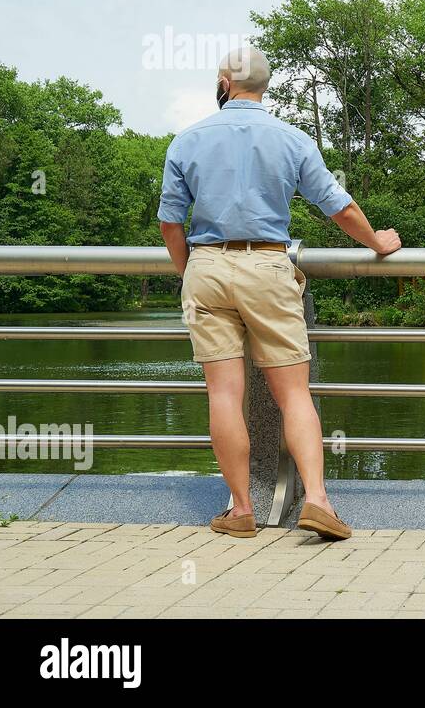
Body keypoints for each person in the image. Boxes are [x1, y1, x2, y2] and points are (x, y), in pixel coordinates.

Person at [157, 45, 401, 540]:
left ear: (225, 81)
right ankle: (316, 501)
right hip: (268, 264)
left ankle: (242, 510)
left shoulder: (188, 140)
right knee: (293, 394)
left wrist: (190, 274)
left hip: (206, 266)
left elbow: (169, 223)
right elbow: (339, 206)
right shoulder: (291, 140)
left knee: (224, 393)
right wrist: (376, 241)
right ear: (265, 86)